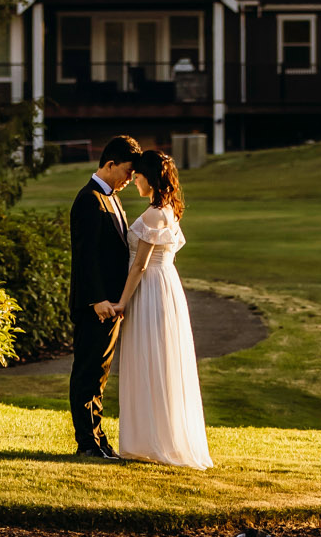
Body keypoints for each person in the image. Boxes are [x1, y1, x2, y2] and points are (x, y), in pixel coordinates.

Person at [112, 147, 213, 471]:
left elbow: (139, 266)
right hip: (165, 286)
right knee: (157, 359)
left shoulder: (154, 214)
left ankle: (154, 440)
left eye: (138, 176)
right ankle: (152, 437)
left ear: (150, 178)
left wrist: (122, 302)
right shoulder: (168, 210)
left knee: (150, 357)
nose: (135, 181)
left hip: (151, 288)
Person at [67, 135, 141, 462]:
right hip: (95, 305)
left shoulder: (112, 198)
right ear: (110, 164)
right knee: (87, 373)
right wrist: (97, 298)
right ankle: (86, 443)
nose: (129, 179)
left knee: (100, 375)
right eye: (126, 171)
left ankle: (99, 440)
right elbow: (86, 257)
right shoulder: (88, 199)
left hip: (111, 305)